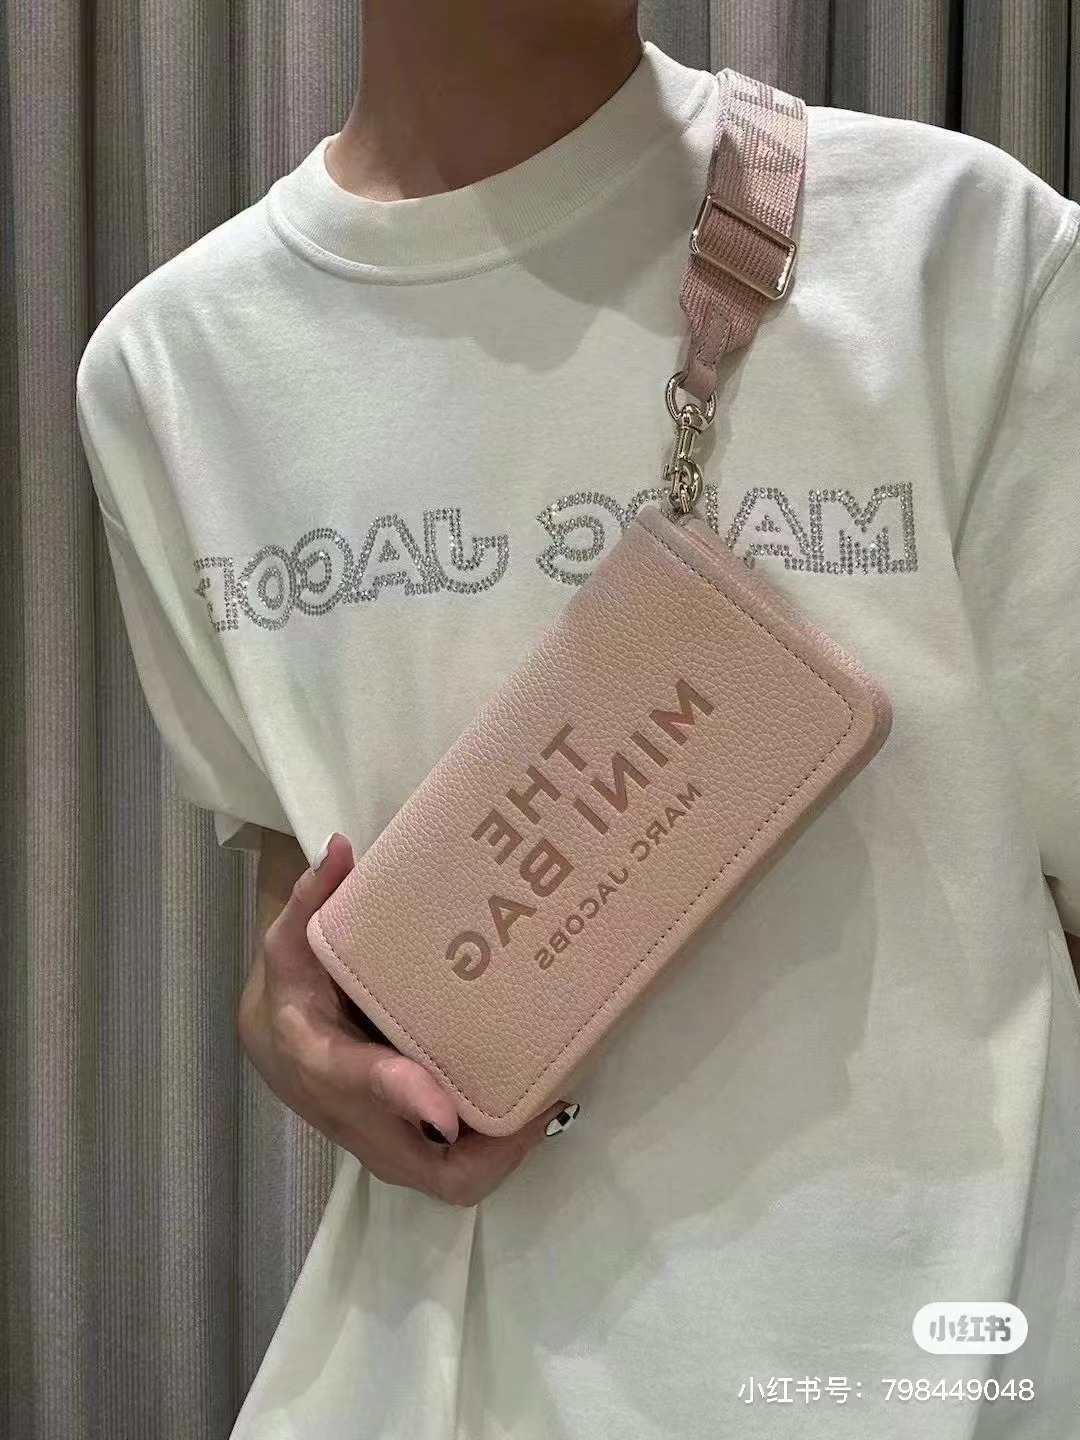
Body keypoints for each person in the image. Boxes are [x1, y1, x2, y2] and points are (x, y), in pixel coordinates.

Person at [75, 2, 1080, 1436]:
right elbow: (309, 880)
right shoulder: (172, 374)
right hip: (432, 1380)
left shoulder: (962, 255)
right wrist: (286, 1028)